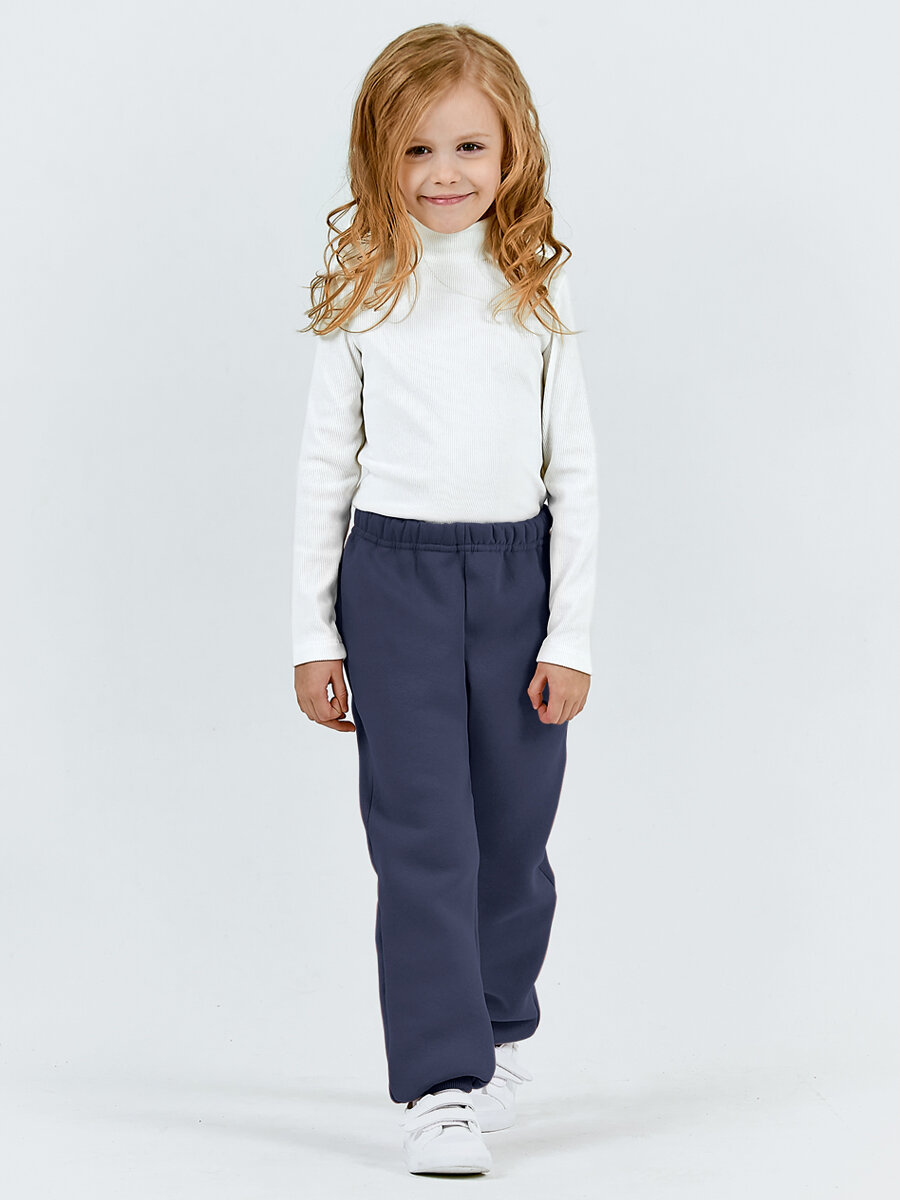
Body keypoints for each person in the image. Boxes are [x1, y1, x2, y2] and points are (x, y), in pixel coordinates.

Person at [292, 22, 599, 1176]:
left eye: (470, 146)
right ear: (379, 157)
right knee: (424, 839)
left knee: (513, 839)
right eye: (416, 149)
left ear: (513, 152)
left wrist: (569, 635)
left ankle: (498, 1027)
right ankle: (439, 1081)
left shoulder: (537, 291)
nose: (444, 173)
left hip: (517, 580)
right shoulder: (362, 296)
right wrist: (313, 635)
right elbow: (324, 473)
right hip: (394, 583)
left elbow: (576, 475)